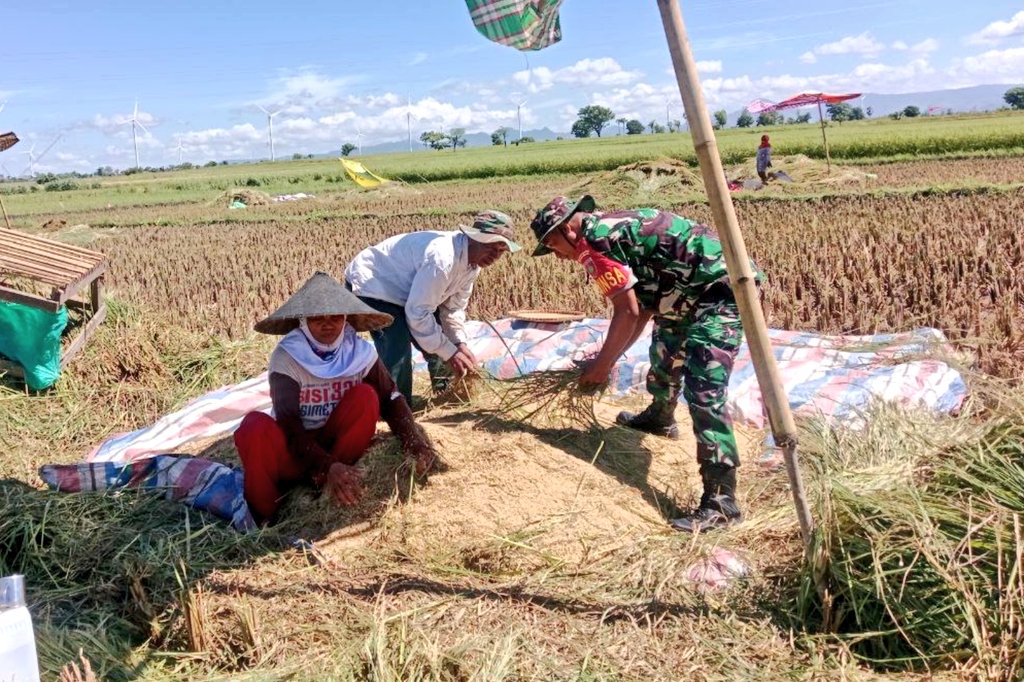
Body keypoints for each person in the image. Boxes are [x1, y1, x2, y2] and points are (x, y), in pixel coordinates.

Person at [529, 195, 764, 532]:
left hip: (719, 292)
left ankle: (721, 502)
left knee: (704, 389)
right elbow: (643, 308)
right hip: (684, 293)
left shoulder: (595, 243)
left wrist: (601, 367)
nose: (556, 255)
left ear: (567, 228)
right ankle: (660, 417)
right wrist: (607, 358)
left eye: (551, 245)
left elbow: (627, 312)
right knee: (665, 353)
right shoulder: (609, 229)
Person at [234, 271, 437, 523]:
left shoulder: (360, 352)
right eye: (317, 318)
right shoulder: (288, 357)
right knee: (253, 427)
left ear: (346, 319)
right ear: (303, 321)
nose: (327, 324)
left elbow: (391, 398)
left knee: (366, 397)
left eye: (336, 317)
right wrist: (326, 466)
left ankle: (329, 482)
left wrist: (413, 441)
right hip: (297, 450)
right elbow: (288, 424)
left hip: (338, 447)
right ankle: (265, 519)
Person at [345, 210, 520, 403]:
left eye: (501, 251)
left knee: (442, 338)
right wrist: (450, 353)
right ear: (474, 239)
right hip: (374, 284)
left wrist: (458, 344)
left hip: (410, 293)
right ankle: (396, 408)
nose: (495, 256)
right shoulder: (442, 259)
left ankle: (445, 394)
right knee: (397, 343)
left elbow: (453, 309)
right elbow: (418, 313)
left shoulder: (472, 265)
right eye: (491, 247)